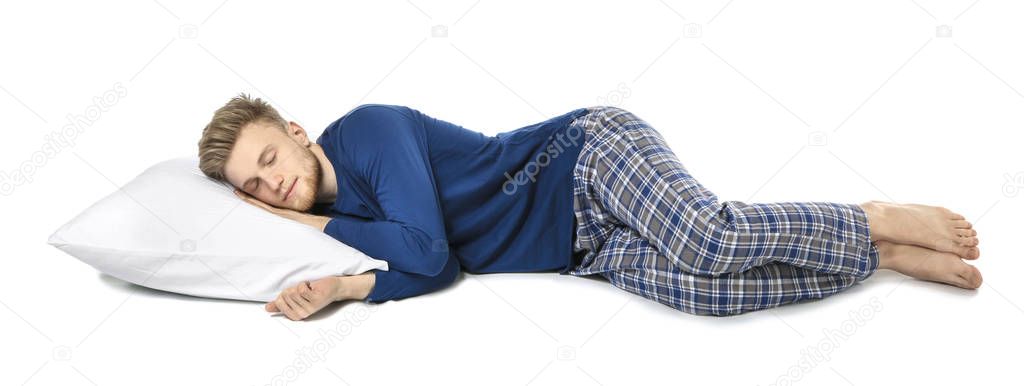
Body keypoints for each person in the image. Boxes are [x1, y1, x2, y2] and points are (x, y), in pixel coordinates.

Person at [197, 94, 982, 320]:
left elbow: (427, 252)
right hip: (581, 250)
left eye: (270, 159)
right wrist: (340, 287)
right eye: (254, 187)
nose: (272, 186)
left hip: (582, 161)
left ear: (296, 133)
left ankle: (871, 215)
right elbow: (428, 274)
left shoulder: (367, 133)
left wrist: (314, 227)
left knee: (707, 239)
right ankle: (875, 258)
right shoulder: (343, 237)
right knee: (705, 291)